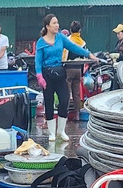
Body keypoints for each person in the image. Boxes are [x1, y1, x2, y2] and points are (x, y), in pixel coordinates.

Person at [37, 14, 91, 143]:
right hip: (47, 75)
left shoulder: (61, 37)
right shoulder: (41, 42)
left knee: (65, 99)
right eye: (54, 23)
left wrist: (89, 54)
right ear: (47, 26)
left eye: (57, 23)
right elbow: (38, 61)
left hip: (60, 72)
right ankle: (51, 133)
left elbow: (74, 48)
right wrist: (39, 76)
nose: (57, 25)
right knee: (49, 102)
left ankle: (61, 131)